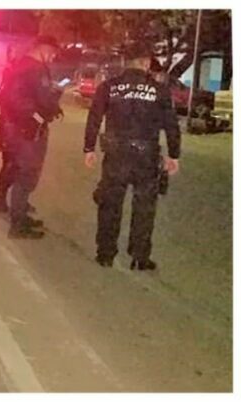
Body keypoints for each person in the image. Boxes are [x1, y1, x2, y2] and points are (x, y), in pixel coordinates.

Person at [83, 44, 181, 270]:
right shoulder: (159, 90)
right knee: (144, 207)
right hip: (146, 157)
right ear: (146, 62)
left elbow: (94, 118)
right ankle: (140, 256)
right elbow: (171, 125)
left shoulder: (109, 87)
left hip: (116, 154)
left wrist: (89, 148)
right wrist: (174, 155)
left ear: (127, 63)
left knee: (110, 204)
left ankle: (105, 253)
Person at [0, 36, 63, 239]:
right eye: (51, 53)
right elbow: (38, 100)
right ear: (43, 49)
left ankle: (20, 213)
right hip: (27, 130)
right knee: (27, 175)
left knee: (18, 169)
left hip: (14, 127)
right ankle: (18, 224)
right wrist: (48, 107)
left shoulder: (19, 65)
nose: (52, 58)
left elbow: (12, 97)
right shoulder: (35, 69)